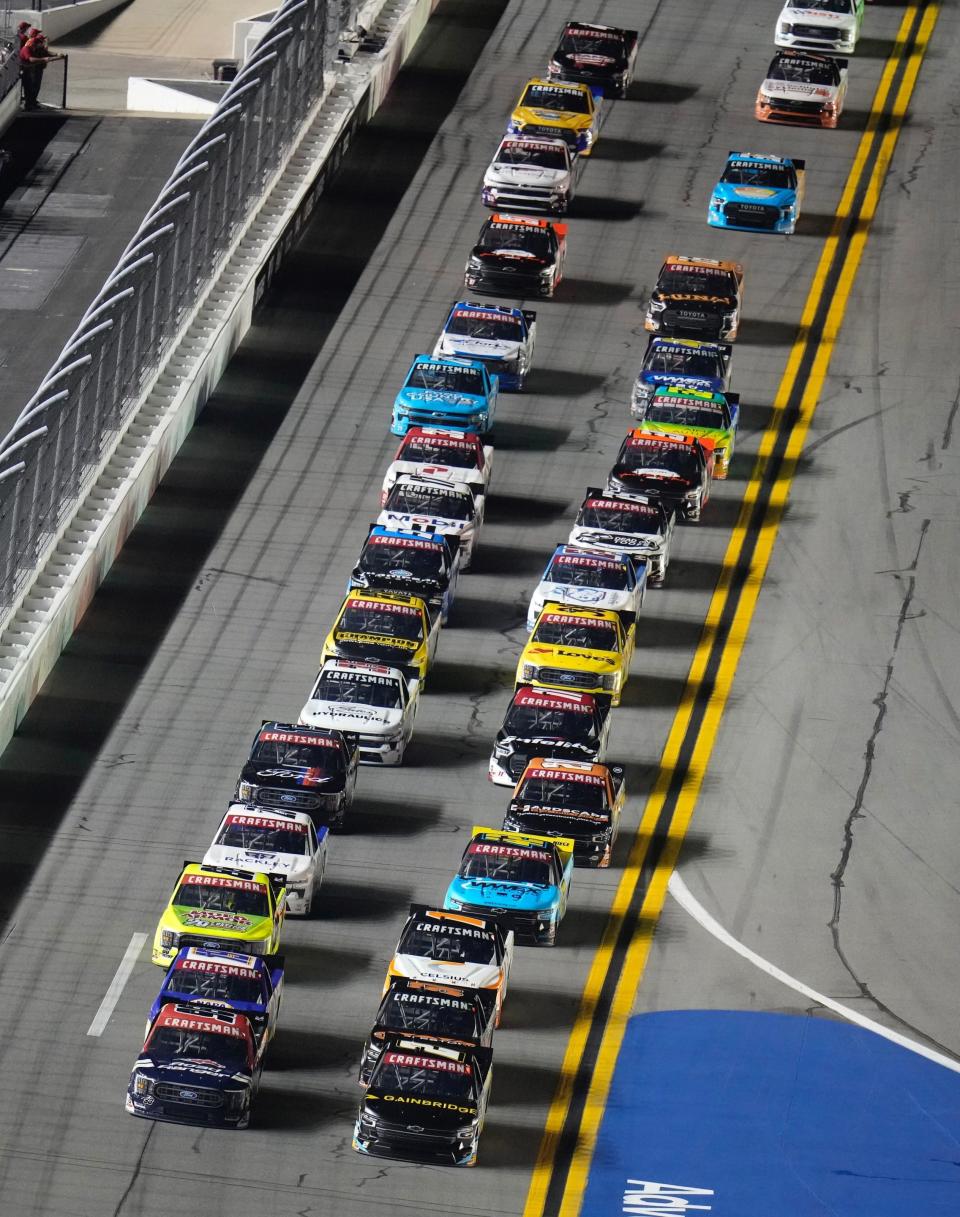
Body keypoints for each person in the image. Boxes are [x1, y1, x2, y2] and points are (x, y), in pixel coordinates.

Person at [19, 29, 63, 112]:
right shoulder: (27, 49)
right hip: (28, 71)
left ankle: (32, 103)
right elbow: (31, 59)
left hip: (32, 70)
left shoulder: (33, 47)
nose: (40, 44)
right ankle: (29, 105)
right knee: (29, 89)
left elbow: (46, 53)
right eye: (39, 43)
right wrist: (45, 59)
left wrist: (56, 55)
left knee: (33, 88)